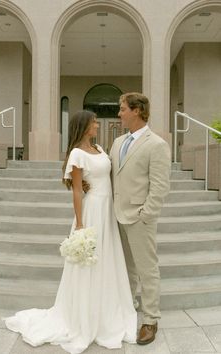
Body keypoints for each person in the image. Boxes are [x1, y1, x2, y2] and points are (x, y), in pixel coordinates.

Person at [3, 110, 137, 354]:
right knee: (89, 264)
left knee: (107, 260)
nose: (98, 124)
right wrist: (79, 224)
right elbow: (77, 190)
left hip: (108, 210)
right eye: (94, 122)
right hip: (92, 210)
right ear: (85, 126)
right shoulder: (77, 153)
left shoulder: (100, 149)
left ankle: (107, 309)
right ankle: (84, 317)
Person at [110, 92, 171, 345]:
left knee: (147, 270)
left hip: (139, 217)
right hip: (116, 216)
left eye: (123, 108)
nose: (119, 113)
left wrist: (146, 215)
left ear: (137, 110)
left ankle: (150, 320)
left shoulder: (156, 144)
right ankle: (130, 305)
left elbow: (159, 187)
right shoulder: (117, 142)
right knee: (127, 268)